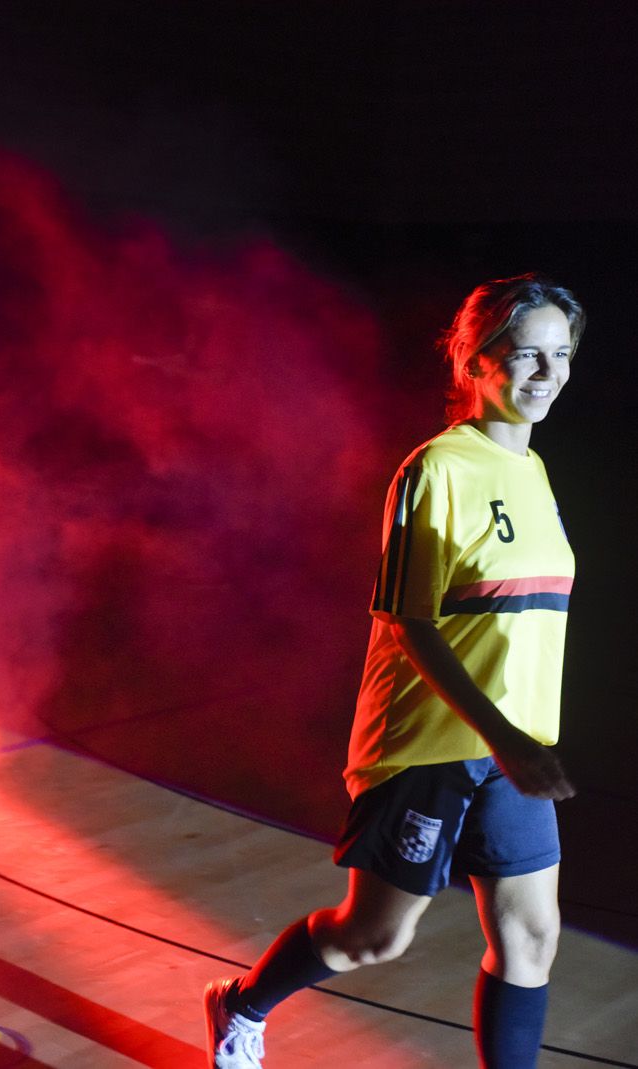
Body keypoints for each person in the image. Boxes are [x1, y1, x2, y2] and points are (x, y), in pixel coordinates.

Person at [203, 274, 583, 1068]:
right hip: (429, 746)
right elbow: (408, 622)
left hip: (511, 748)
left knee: (532, 935)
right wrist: (505, 735)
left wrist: (516, 740)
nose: (548, 373)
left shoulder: (537, 474)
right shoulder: (436, 468)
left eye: (562, 354)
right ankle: (242, 1006)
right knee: (375, 935)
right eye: (526, 355)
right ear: (477, 362)